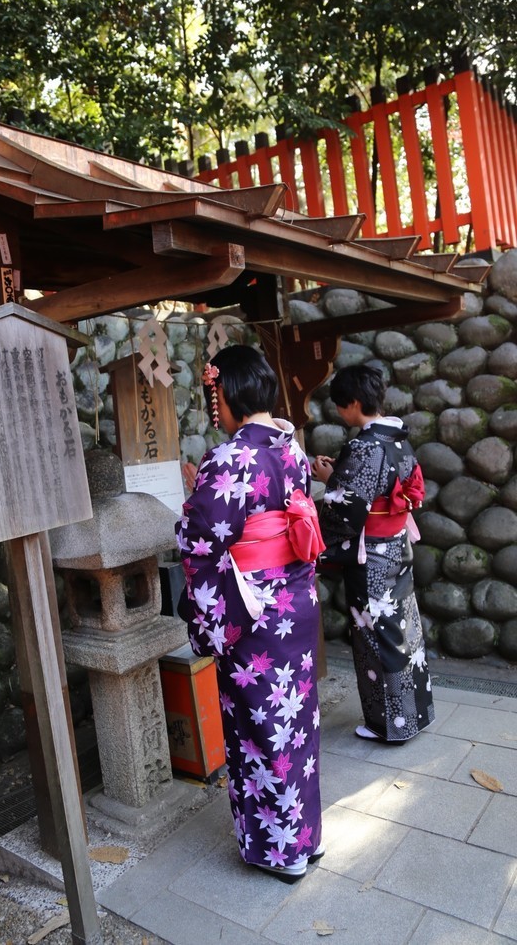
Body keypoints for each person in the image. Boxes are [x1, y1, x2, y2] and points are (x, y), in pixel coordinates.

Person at [175, 344, 325, 883]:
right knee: (296, 726)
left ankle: (279, 851)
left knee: (261, 728)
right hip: (296, 599)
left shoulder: (230, 458)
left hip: (254, 608)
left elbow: (200, 541)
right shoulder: (291, 449)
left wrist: (194, 494)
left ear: (226, 395)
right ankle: (305, 839)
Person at [311, 363, 434, 743]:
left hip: (374, 559)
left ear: (353, 403)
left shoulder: (364, 446)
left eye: (340, 405)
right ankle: (416, 714)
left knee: (376, 635)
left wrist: (324, 485)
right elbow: (378, 489)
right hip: (397, 547)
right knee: (403, 628)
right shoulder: (398, 438)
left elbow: (346, 509)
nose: (338, 412)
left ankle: (390, 724)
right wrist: (338, 477)